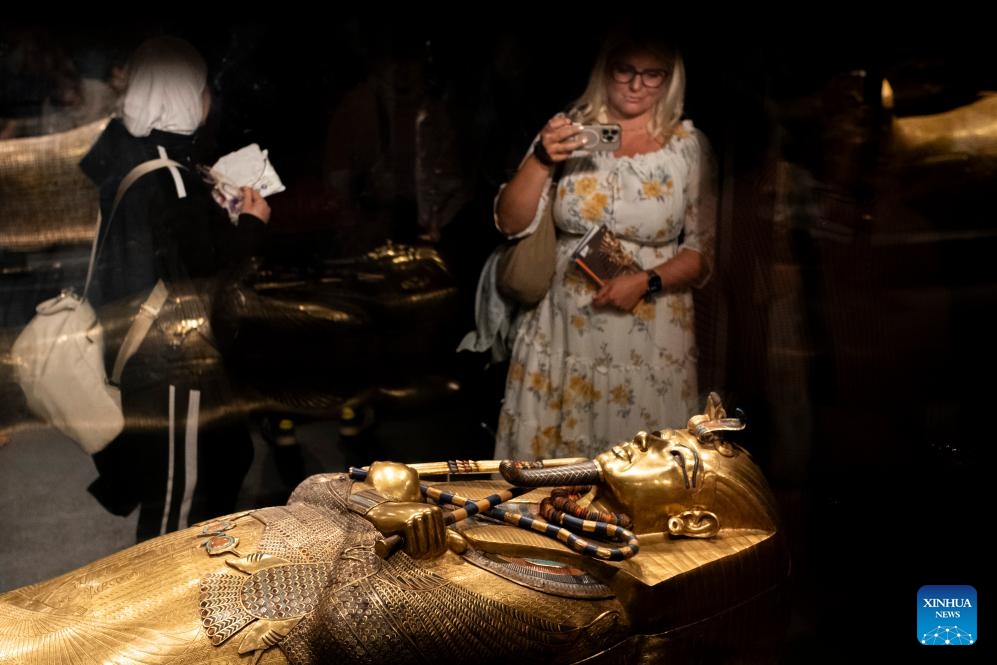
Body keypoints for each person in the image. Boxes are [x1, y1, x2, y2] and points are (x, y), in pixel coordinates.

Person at [0, 394, 788, 664]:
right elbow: (320, 485)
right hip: (223, 549)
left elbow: (353, 630)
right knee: (24, 613)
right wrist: (375, 514)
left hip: (230, 633)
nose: (657, 440)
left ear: (688, 521)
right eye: (676, 437)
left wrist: (382, 525)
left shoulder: (573, 592)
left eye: (678, 462)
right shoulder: (521, 485)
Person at [491, 25, 717, 463]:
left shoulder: (687, 148)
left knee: (638, 463)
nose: (636, 85)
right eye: (625, 70)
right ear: (605, 70)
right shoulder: (568, 134)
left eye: (653, 74)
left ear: (671, 79)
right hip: (563, 325)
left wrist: (645, 281)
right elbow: (510, 222)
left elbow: (702, 254)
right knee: (554, 466)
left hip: (649, 328)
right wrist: (542, 156)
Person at [78, 36, 272, 542]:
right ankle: (161, 611)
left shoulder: (131, 153)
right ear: (182, 94)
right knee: (178, 505)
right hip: (173, 371)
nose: (210, 95)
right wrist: (250, 223)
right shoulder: (172, 179)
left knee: (220, 464)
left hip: (140, 353)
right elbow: (210, 282)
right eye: (202, 86)